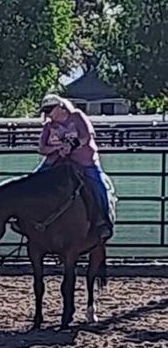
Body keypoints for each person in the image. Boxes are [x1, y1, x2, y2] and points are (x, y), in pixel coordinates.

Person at [36, 93, 113, 240]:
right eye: (45, 111)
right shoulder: (48, 126)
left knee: (98, 185)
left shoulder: (77, 116)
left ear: (60, 107)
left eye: (49, 110)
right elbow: (42, 148)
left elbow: (86, 136)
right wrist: (57, 149)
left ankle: (103, 220)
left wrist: (70, 146)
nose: (47, 114)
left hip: (84, 161)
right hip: (56, 162)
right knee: (34, 181)